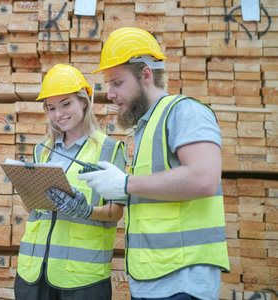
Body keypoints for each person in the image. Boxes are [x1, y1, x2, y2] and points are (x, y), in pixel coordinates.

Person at [76, 27, 230, 300]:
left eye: (117, 83)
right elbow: (153, 191)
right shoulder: (142, 130)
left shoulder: (184, 111)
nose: (109, 94)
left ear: (145, 75)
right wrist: (119, 189)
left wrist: (125, 183)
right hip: (150, 279)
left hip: (183, 280)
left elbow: (205, 178)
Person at [14, 64, 127, 300]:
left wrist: (85, 211)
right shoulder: (41, 150)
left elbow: (116, 212)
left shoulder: (108, 149)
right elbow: (33, 210)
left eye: (66, 104)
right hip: (34, 271)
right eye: (52, 107)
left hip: (81, 278)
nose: (59, 114)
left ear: (83, 102)